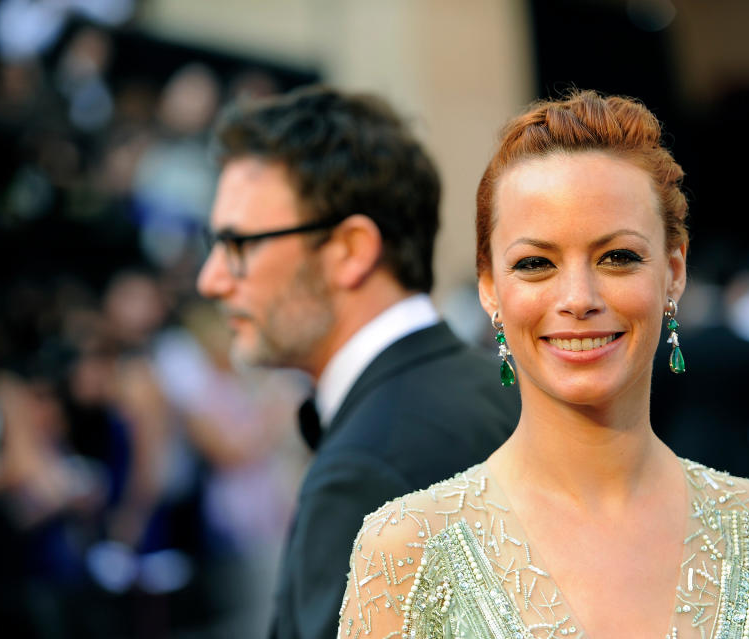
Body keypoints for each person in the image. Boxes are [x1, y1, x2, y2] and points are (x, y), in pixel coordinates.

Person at [338, 90, 749, 639]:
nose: (579, 297)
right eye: (536, 263)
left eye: (618, 257)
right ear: (490, 288)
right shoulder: (406, 554)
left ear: (674, 273)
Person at [196, 86, 520, 639]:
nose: (212, 279)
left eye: (238, 245)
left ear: (350, 250)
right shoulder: (506, 390)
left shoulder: (365, 470)